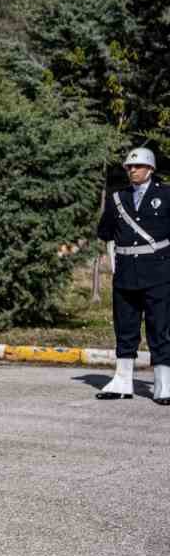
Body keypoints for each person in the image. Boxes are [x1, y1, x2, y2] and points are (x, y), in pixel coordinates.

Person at [95, 147, 170, 403]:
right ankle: (122, 381)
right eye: (129, 167)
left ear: (150, 169)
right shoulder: (118, 199)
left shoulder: (167, 195)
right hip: (126, 272)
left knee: (159, 328)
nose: (132, 171)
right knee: (125, 328)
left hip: (159, 273)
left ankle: (163, 384)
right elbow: (104, 231)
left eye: (137, 167)